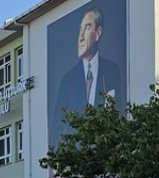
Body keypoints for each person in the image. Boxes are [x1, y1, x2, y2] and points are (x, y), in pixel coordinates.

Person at [52, 5, 124, 143]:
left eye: (86, 28)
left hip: (106, 155)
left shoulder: (112, 71)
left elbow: (119, 116)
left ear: (98, 33)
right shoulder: (68, 80)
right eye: (80, 30)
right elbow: (56, 129)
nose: (80, 37)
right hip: (78, 160)